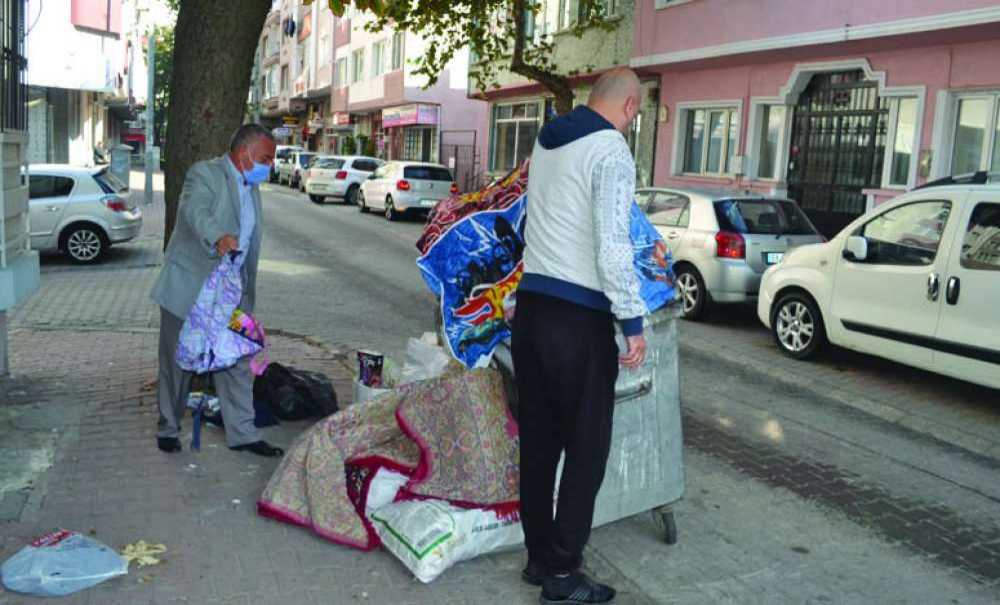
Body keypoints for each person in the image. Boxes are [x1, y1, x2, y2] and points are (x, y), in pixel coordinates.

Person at [512, 67, 647, 604]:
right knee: (586, 449)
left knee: (540, 445)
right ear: (630, 107)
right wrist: (632, 322)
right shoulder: (611, 150)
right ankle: (564, 576)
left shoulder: (547, 141)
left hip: (533, 311)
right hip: (578, 319)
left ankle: (539, 558)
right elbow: (612, 244)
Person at [150, 123, 283, 458]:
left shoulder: (252, 190)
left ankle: (244, 434)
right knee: (176, 361)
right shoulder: (205, 174)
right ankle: (168, 427)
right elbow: (195, 212)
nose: (270, 165)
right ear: (244, 154)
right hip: (192, 288)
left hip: (231, 295)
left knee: (238, 360)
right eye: (266, 158)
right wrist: (219, 236)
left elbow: (250, 243)